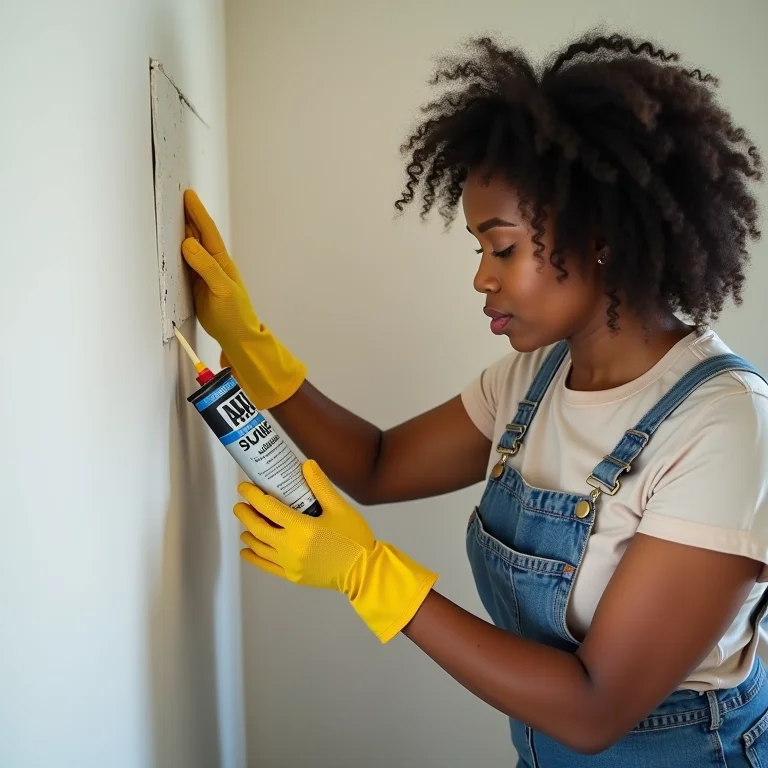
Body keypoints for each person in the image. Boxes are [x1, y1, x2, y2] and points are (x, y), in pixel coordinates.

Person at [181, 32, 768, 767]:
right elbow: (378, 464)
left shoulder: (722, 424)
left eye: (505, 248)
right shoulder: (531, 380)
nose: (482, 279)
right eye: (478, 250)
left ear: (602, 239)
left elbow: (595, 709)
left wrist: (373, 576)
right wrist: (248, 345)